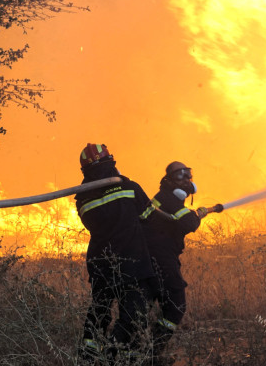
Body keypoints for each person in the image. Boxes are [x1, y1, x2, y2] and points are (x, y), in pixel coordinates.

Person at [74, 143, 156, 364]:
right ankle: (112, 354)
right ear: (111, 161)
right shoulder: (130, 188)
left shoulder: (82, 198)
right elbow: (150, 220)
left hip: (101, 263)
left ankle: (87, 356)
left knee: (99, 309)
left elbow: (94, 222)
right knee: (132, 314)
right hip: (132, 263)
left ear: (85, 170)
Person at [144, 161, 217, 366]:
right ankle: (151, 355)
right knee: (176, 305)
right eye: (180, 176)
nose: (186, 180)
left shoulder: (164, 198)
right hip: (161, 258)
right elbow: (188, 224)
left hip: (151, 258)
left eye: (188, 175)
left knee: (144, 306)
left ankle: (139, 353)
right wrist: (198, 215)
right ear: (169, 180)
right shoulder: (168, 199)